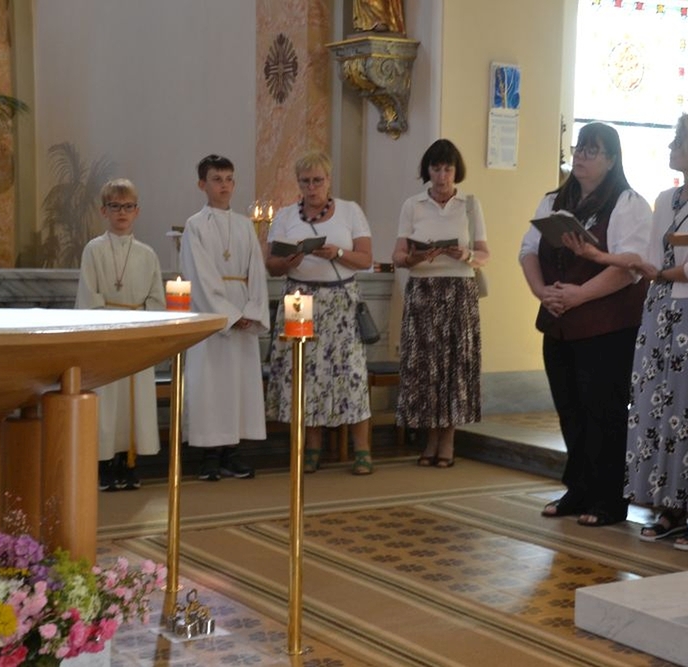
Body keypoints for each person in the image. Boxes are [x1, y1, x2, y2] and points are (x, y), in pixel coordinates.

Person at [565, 115, 688, 549]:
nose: (671, 146)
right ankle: (669, 507)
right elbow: (646, 258)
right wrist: (600, 256)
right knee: (655, 409)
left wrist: (661, 274)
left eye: (679, 140)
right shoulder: (664, 198)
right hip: (656, 312)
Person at [520, 122, 652, 527]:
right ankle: (577, 488)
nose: (580, 156)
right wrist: (542, 291)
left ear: (611, 160)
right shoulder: (553, 200)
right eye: (578, 148)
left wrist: (580, 295)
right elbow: (528, 250)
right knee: (570, 409)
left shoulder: (628, 203)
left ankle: (609, 497)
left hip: (608, 325)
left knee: (604, 411)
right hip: (559, 321)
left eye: (591, 150)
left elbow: (630, 267)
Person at [265, 151, 375, 475]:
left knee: (351, 373)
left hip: (340, 301)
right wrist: (288, 261)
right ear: (298, 183)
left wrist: (337, 253)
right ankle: (311, 449)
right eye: (305, 182)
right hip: (299, 300)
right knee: (304, 374)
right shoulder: (286, 216)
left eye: (317, 180)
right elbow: (271, 265)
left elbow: (366, 259)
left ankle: (362, 450)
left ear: (328, 180)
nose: (311, 188)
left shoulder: (350, 211)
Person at [392, 139, 488, 469]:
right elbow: (398, 256)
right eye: (436, 169)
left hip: (459, 291)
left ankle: (448, 439)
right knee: (425, 367)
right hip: (423, 292)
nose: (442, 176)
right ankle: (430, 438)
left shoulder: (470, 205)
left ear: (456, 171)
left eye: (448, 169)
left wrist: (467, 254)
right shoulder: (413, 205)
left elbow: (485, 254)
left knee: (454, 365)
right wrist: (416, 256)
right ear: (428, 171)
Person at [180, 154, 270, 481]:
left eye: (229, 179)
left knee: (238, 386)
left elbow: (256, 273)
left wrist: (251, 312)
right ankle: (208, 456)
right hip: (211, 320)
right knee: (210, 385)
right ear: (202, 184)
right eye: (217, 179)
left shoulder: (245, 225)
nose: (225, 186)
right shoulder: (195, 225)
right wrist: (230, 316)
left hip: (243, 310)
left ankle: (232, 453)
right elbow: (199, 276)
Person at [76, 178, 165, 492]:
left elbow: (156, 298)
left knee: (134, 403)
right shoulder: (93, 250)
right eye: (115, 206)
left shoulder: (147, 254)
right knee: (106, 402)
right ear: (104, 211)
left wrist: (141, 325)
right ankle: (103, 464)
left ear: (137, 211)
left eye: (128, 207)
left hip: (137, 338)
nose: (122, 213)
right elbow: (89, 295)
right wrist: (111, 326)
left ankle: (128, 463)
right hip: (106, 338)